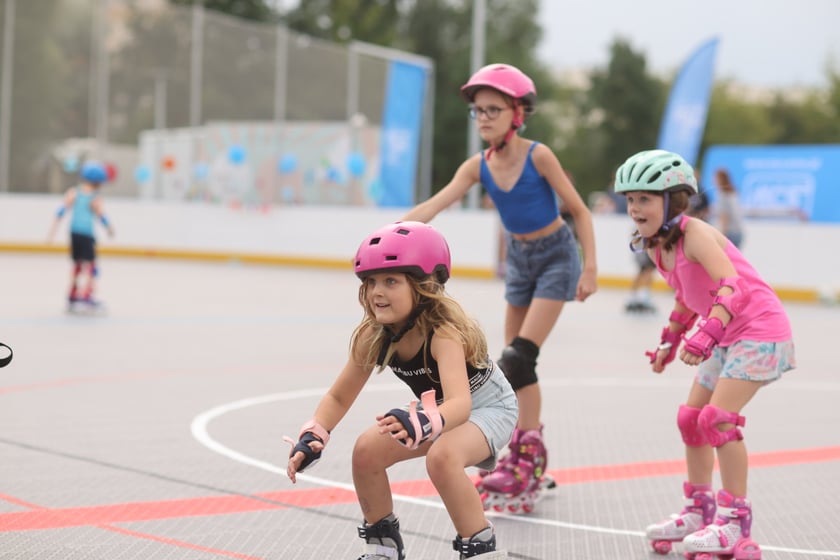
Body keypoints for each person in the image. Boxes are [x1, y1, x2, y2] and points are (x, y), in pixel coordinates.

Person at [401, 63, 598, 512]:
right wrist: (390, 233)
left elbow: (581, 211)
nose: (484, 117)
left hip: (555, 255)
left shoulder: (539, 156)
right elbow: (435, 204)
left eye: (493, 109)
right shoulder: (479, 166)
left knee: (518, 357)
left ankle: (526, 458)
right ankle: (528, 458)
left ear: (518, 112)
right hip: (520, 262)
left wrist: (590, 269)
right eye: (478, 111)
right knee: (517, 368)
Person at [285, 221, 518, 559]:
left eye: (391, 281)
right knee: (366, 451)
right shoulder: (374, 335)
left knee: (443, 457)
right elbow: (338, 396)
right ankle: (383, 547)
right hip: (440, 408)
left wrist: (421, 421)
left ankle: (481, 549)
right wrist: (314, 433)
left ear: (424, 286)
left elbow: (460, 404)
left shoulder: (444, 334)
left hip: (489, 407)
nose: (377, 292)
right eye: (371, 282)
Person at [614, 150, 795, 559]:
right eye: (630, 199)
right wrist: (670, 341)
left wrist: (705, 336)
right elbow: (686, 296)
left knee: (718, 420)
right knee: (691, 419)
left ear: (674, 200)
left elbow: (732, 286)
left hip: (760, 330)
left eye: (645, 198)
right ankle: (700, 511)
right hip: (727, 335)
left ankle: (734, 523)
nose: (634, 208)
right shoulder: (655, 245)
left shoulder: (695, 233)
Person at [48, 160, 115, 311]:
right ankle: (87, 295)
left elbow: (61, 210)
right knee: (91, 266)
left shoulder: (74, 192)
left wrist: (52, 231)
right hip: (86, 234)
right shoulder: (95, 197)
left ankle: (72, 294)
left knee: (77, 264)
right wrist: (109, 228)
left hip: (74, 233)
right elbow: (101, 215)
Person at [712, 168, 744, 248]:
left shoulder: (723, 195)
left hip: (729, 233)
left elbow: (724, 217)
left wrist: (721, 235)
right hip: (738, 231)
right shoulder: (733, 193)